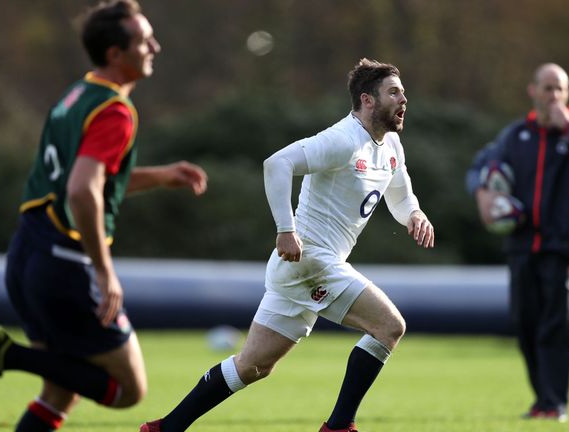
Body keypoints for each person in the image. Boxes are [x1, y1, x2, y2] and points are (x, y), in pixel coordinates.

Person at [0, 1, 208, 430]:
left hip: (26, 254)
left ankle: (9, 356)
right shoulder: (114, 111)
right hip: (63, 265)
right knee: (128, 391)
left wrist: (160, 176)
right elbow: (81, 190)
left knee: (60, 391)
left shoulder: (74, 97)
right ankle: (6, 355)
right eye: (145, 40)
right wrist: (104, 272)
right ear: (115, 54)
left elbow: (86, 177)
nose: (155, 47)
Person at [140, 58, 435, 432]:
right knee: (389, 327)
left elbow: (399, 193)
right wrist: (285, 228)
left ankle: (165, 428)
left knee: (253, 366)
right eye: (394, 92)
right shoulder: (343, 139)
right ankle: (339, 426)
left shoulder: (390, 144)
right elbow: (277, 163)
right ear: (368, 100)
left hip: (300, 268)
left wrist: (414, 214)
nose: (403, 99)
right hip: (311, 258)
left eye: (403, 92)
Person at [466, 63, 569, 422]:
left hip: (561, 246)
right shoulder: (515, 135)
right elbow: (478, 168)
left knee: (556, 326)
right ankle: (542, 400)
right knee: (525, 324)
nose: (554, 96)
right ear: (532, 91)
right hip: (521, 245)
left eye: (560, 89)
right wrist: (483, 195)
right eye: (547, 88)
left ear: (567, 93)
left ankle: (554, 404)